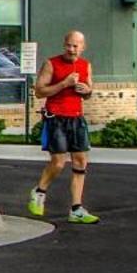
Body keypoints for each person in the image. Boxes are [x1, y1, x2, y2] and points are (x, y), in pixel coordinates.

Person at [28, 30, 100, 224]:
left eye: (75, 46)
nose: (71, 49)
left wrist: (87, 91)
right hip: (55, 118)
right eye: (68, 45)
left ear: (83, 47)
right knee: (58, 162)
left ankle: (76, 208)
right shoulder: (51, 64)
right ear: (64, 44)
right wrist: (64, 84)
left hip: (76, 118)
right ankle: (39, 191)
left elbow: (89, 91)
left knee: (80, 161)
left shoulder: (86, 66)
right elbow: (39, 92)